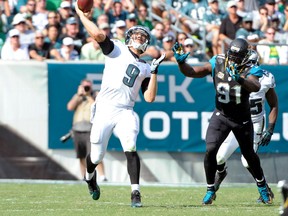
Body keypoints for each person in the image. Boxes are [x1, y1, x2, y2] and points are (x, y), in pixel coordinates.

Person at [75, 3, 166, 208]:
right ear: (128, 38)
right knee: (97, 154)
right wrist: (82, 15)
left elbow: (150, 98)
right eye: (137, 35)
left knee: (131, 146)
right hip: (105, 108)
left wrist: (154, 73)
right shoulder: (117, 49)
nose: (140, 38)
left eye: (143, 37)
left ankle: (135, 192)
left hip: (125, 110)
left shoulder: (145, 67)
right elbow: (98, 35)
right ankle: (90, 177)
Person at [172, 38, 273, 205]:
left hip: (242, 118)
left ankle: (262, 186)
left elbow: (255, 86)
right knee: (210, 149)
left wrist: (239, 78)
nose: (232, 60)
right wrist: (181, 64)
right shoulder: (218, 61)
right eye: (231, 56)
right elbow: (193, 72)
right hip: (222, 115)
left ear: (245, 56)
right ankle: (210, 189)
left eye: (237, 57)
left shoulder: (252, 68)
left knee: (249, 155)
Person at [215, 50, 278, 203]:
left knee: (247, 160)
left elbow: (274, 104)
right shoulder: (233, 75)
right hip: (237, 120)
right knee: (220, 156)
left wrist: (269, 129)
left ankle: (265, 190)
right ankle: (221, 173)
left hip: (255, 122)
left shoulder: (265, 78)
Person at [67, 79, 107, 181]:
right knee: (81, 155)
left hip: (90, 129)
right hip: (77, 130)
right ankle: (84, 177)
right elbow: (70, 107)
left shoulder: (95, 95)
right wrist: (78, 95)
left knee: (95, 154)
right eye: (84, 86)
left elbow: (98, 107)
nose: (86, 88)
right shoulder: (78, 97)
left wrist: (88, 95)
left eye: (88, 86)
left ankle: (102, 176)